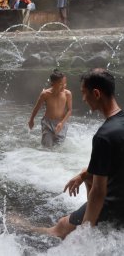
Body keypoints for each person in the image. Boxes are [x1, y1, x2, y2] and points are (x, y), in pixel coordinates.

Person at [17, 68, 124, 239]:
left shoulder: (104, 136)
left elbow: (98, 192)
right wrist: (83, 175)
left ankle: (29, 229)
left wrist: (85, 233)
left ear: (96, 93)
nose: (83, 98)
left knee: (60, 227)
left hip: (115, 208)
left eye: (84, 93)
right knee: (87, 172)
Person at [28, 69, 72, 147]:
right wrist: (31, 119)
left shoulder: (67, 94)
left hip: (61, 123)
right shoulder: (45, 94)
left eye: (65, 83)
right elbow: (36, 108)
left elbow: (69, 110)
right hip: (48, 123)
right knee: (47, 146)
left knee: (58, 147)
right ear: (53, 83)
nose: (64, 86)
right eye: (61, 84)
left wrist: (62, 123)